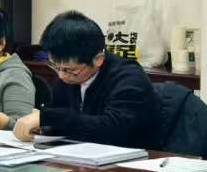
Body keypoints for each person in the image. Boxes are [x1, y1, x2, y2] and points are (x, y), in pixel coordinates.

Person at [12, 10, 160, 147]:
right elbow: (64, 121)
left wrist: (50, 118)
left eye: (69, 70)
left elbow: (113, 129)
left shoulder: (128, 77)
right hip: (79, 155)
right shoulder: (67, 77)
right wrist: (43, 127)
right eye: (55, 67)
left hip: (134, 159)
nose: (61, 76)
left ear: (98, 59)